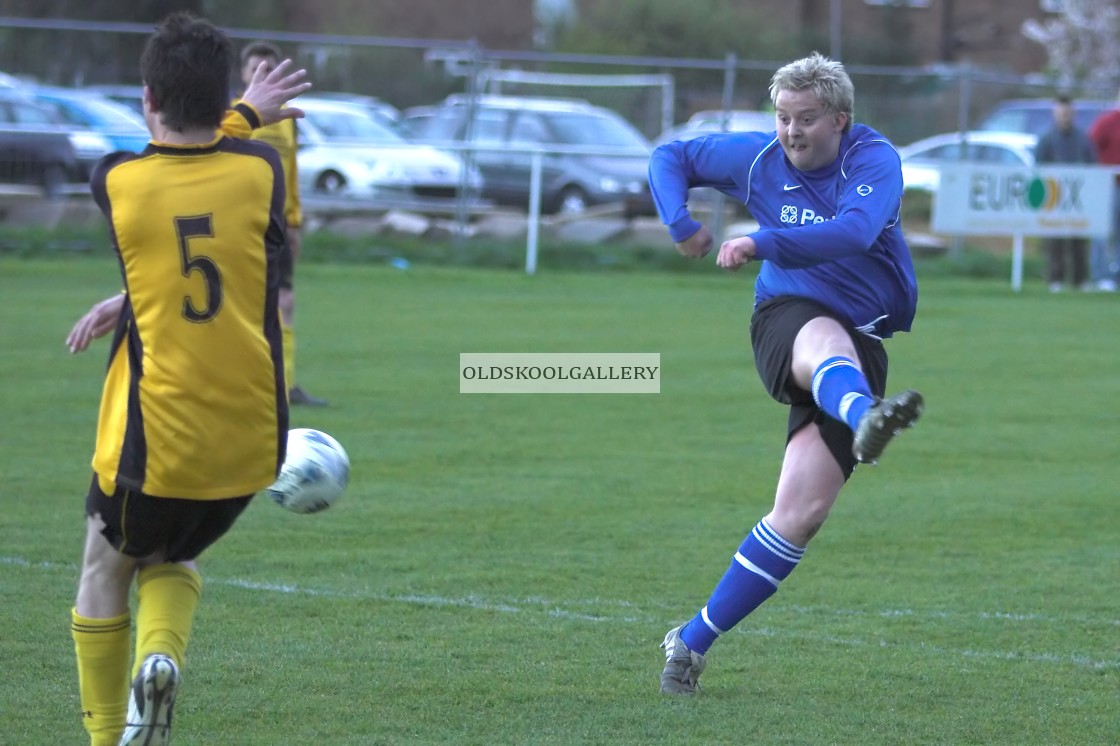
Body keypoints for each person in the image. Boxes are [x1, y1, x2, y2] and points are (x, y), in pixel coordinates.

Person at [66, 13, 309, 745]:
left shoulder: (117, 181)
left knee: (102, 569)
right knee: (175, 553)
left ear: (147, 98)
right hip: (250, 447)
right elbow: (214, 186)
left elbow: (166, 190)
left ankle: (108, 736)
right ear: (223, 97)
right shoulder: (260, 172)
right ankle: (161, 656)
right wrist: (245, 114)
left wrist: (234, 112)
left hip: (158, 443)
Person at [647, 52, 923, 695]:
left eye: (806, 119)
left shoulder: (874, 161)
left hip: (862, 340)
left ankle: (689, 642)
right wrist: (680, 222)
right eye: (782, 117)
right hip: (786, 315)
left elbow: (854, 233)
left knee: (800, 512)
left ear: (840, 120)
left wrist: (758, 240)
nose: (791, 132)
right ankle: (866, 417)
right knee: (820, 333)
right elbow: (671, 157)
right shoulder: (758, 155)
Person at [239, 40, 327, 407]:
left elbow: (290, 172)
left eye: (270, 70)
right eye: (257, 70)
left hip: (278, 222)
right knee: (243, 307)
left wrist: (294, 221)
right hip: (244, 224)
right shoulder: (232, 118)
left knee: (285, 301)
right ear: (243, 75)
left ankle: (284, 386)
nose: (265, 77)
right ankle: (246, 384)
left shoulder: (287, 119)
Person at [1035, 95, 1098, 292]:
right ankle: (1055, 279)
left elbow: (1092, 165)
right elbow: (1038, 167)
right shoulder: (1047, 139)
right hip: (1054, 199)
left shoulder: (1082, 139)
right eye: (1061, 113)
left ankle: (1080, 280)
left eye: (1068, 113)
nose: (1065, 117)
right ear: (1055, 114)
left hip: (1077, 200)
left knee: (1079, 240)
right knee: (1055, 241)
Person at [1088, 91, 1120, 292]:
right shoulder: (1107, 122)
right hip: (1109, 186)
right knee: (1102, 231)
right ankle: (1101, 274)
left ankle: (1116, 276)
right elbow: (1090, 147)